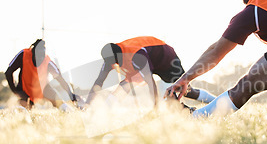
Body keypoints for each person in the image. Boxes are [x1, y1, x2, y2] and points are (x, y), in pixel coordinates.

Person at [86, 36, 216, 106]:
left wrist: (155, 108)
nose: (115, 66)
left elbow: (150, 82)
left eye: (116, 63)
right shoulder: (110, 58)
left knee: (181, 91)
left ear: (120, 56)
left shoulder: (136, 55)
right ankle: (109, 110)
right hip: (146, 61)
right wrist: (87, 104)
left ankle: (214, 102)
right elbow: (99, 81)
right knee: (124, 85)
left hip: (165, 58)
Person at [5, 39, 81, 109]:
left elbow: (60, 79)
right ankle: (22, 107)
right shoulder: (24, 54)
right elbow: (8, 72)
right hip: (25, 89)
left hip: (43, 88)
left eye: (42, 57)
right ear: (32, 53)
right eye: (37, 56)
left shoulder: (48, 62)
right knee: (24, 109)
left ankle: (67, 110)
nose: (39, 60)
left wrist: (70, 94)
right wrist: (16, 91)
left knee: (59, 102)